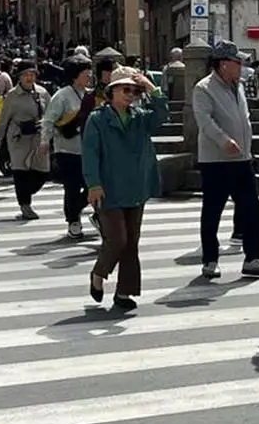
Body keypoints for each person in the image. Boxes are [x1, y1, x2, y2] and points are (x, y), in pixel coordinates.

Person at [82, 66, 169, 309]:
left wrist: (151, 87)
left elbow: (162, 114)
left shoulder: (141, 116)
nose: (130, 94)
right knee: (117, 239)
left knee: (132, 241)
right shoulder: (97, 119)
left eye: (135, 90)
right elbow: (89, 153)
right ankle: (99, 273)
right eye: (125, 89)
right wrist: (93, 184)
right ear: (112, 90)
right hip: (108, 188)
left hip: (136, 186)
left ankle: (124, 292)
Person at [191, 40, 259, 281]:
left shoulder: (237, 86)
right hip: (216, 161)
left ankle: (253, 259)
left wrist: (247, 148)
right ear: (223, 64)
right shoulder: (203, 88)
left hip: (242, 158)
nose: (241, 66)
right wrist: (223, 140)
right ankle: (210, 260)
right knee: (212, 211)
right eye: (237, 62)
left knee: (251, 209)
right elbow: (205, 121)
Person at [45, 59, 97, 240]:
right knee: (72, 187)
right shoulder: (62, 96)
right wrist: (45, 142)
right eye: (85, 74)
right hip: (67, 149)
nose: (89, 77)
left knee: (93, 184)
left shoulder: (90, 95)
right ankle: (73, 221)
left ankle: (94, 215)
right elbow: (49, 120)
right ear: (75, 76)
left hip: (88, 150)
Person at [0, 63, 51, 220]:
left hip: (39, 136)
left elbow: (49, 113)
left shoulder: (42, 92)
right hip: (18, 137)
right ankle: (25, 205)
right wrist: (0, 138)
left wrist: (48, 127)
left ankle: (26, 192)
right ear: (19, 77)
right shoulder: (12, 95)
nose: (29, 78)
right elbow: (4, 118)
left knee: (43, 171)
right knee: (20, 171)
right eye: (25, 74)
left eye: (32, 74)